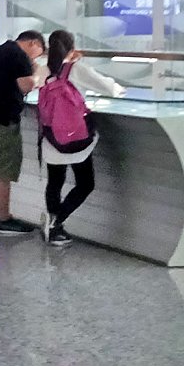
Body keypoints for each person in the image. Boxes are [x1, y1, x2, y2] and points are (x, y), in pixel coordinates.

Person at [36, 29, 124, 246]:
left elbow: (34, 85)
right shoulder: (78, 70)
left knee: (54, 182)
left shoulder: (42, 69)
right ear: (72, 48)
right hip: (76, 137)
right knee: (85, 183)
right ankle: (57, 221)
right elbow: (110, 88)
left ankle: (54, 227)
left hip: (51, 136)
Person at [0, 29, 47, 235]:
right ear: (33, 43)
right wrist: (38, 72)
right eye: (39, 51)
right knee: (2, 170)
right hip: (1, 120)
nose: (37, 56)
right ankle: (3, 219)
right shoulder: (18, 55)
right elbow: (26, 86)